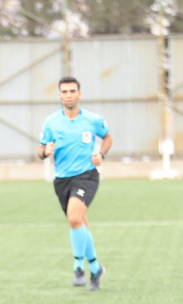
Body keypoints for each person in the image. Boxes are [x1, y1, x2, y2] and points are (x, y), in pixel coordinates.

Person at [37, 76, 112, 291]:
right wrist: (45, 151)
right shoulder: (51, 122)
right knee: (80, 223)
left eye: (72, 91)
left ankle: (78, 266)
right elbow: (40, 149)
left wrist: (101, 154)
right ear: (59, 95)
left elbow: (107, 137)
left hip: (87, 175)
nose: (68, 95)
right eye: (64, 91)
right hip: (62, 179)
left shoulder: (92, 120)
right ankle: (96, 269)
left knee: (74, 217)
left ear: (79, 93)